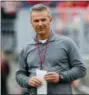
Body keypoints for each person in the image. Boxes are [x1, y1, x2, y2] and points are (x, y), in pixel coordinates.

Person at [16, 4, 86, 94]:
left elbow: (81, 69)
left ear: (50, 20)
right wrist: (28, 81)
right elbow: (19, 74)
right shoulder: (26, 48)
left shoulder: (67, 43)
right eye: (36, 21)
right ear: (31, 23)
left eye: (43, 20)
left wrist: (60, 76)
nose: (40, 24)